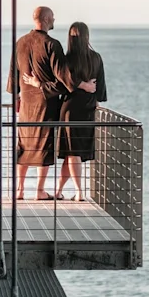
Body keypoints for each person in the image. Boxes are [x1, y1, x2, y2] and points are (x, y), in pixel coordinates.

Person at [6, 6, 97, 201]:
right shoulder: (52, 45)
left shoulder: (20, 42)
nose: (54, 19)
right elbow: (64, 78)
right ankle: (39, 190)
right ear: (47, 19)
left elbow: (13, 75)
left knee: (23, 146)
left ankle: (19, 189)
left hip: (26, 105)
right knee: (43, 147)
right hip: (46, 104)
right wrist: (85, 86)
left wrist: (16, 98)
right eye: (53, 17)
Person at [57, 22, 107, 200]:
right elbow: (100, 87)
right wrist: (96, 101)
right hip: (88, 109)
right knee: (73, 152)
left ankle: (78, 192)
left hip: (70, 108)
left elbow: (63, 85)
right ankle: (60, 190)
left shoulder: (67, 59)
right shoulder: (96, 57)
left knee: (72, 152)